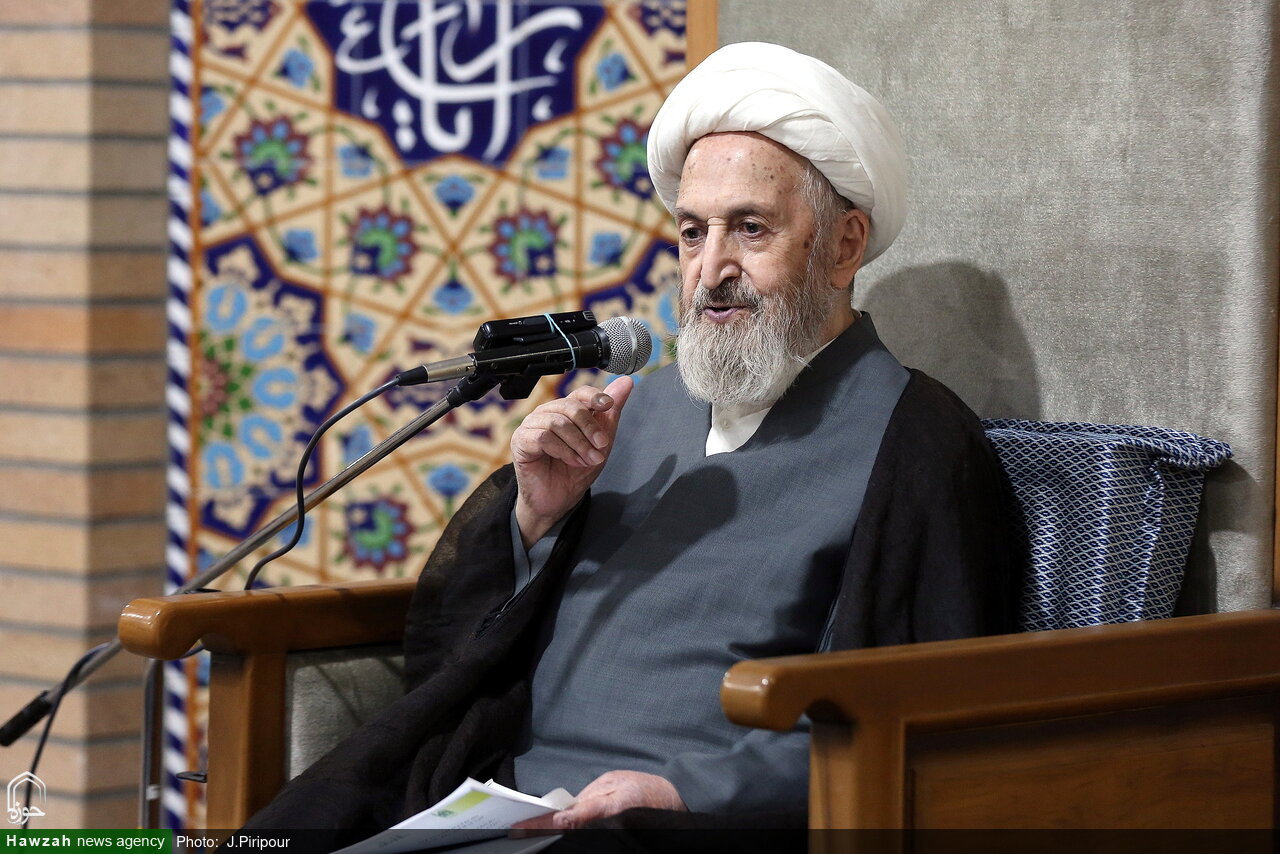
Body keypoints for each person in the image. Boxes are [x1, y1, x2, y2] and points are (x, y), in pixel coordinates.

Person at [243, 42, 1013, 838]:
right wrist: (538, 523)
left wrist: (681, 792)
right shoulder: (640, 411)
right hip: (511, 806)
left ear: (844, 246)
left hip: (688, 829)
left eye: (750, 229)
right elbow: (482, 652)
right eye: (692, 233)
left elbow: (924, 717)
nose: (710, 269)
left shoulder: (915, 443)